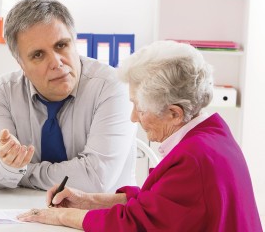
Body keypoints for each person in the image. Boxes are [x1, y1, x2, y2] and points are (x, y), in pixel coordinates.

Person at [17, 40, 263, 231]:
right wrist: (87, 200)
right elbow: (158, 203)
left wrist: (59, 216)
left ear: (174, 113)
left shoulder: (195, 158)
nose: (134, 117)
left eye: (140, 108)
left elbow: (136, 224)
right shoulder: (211, 133)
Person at [0, 0, 136, 192]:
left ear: (74, 42)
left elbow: (94, 180)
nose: (56, 62)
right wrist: (4, 164)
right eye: (38, 55)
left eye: (61, 45)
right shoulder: (4, 91)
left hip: (104, 216)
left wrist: (20, 171)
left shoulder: (112, 86)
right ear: (21, 64)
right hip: (27, 212)